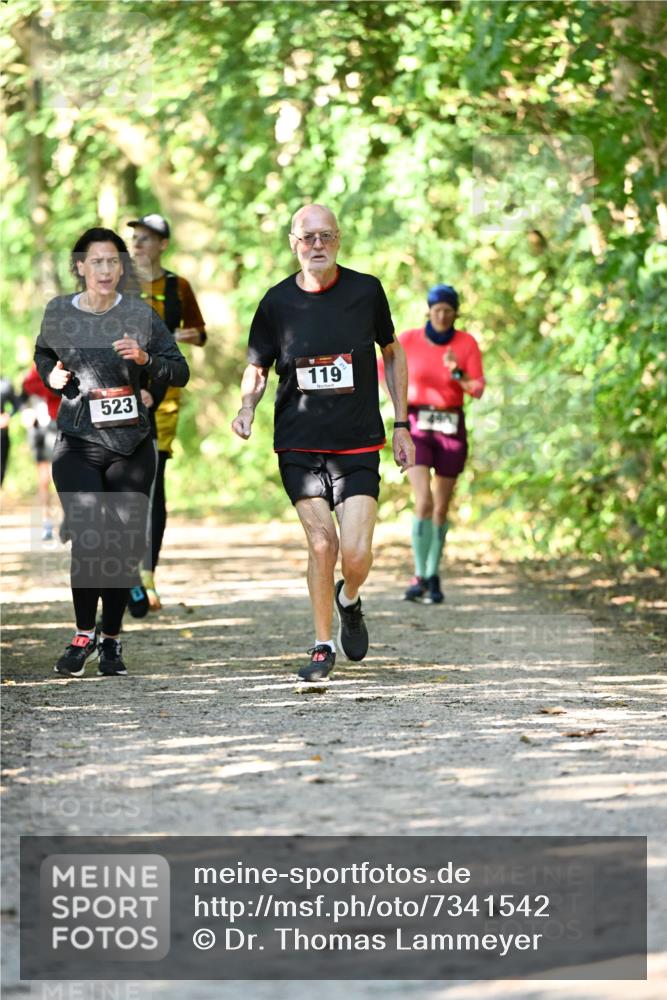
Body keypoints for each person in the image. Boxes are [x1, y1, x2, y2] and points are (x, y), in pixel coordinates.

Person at [231, 204, 414, 682]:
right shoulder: (275, 303)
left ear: (339, 240)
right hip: (300, 443)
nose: (317, 245)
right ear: (293, 242)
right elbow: (257, 366)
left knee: (354, 555)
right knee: (321, 543)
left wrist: (402, 423)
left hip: (357, 444)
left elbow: (392, 353)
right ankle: (321, 643)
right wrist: (247, 406)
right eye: (308, 237)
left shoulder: (366, 291)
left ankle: (349, 598)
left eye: (326, 236)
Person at [34, 227, 189, 677]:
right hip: (78, 443)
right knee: (88, 536)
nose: (105, 270)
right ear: (80, 266)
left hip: (130, 446)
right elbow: (43, 354)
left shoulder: (139, 315)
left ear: (122, 269)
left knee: (120, 546)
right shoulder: (59, 311)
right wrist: (52, 377)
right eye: (96, 261)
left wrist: (145, 362)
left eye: (113, 262)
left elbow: (178, 369)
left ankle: (113, 640)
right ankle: (83, 634)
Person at [127, 213, 207, 612]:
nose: (138, 244)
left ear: (163, 245)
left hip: (163, 401)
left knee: (153, 486)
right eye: (135, 237)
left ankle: (146, 577)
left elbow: (200, 332)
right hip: (118, 397)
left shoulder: (177, 287)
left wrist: (176, 337)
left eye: (147, 238)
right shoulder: (117, 285)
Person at [390, 283, 484, 604]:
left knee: (442, 507)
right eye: (437, 310)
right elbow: (384, 372)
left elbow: (477, 388)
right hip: (417, 422)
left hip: (451, 424)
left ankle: (433, 573)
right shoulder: (409, 340)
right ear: (428, 311)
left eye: (448, 310)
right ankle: (418, 574)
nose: (442, 316)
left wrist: (457, 374)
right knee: (423, 501)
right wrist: (396, 408)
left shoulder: (466, 344)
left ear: (456, 313)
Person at [21, 363, 60, 540]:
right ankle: (47, 523)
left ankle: (68, 521)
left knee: (60, 477)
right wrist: (25, 411)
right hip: (38, 430)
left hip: (57, 425)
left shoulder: (65, 362)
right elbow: (25, 388)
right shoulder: (38, 366)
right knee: (43, 479)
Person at [0, 378, 20, 486]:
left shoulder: (5, 384)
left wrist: (7, 416)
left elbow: (17, 404)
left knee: (1, 466)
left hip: (1, 433)